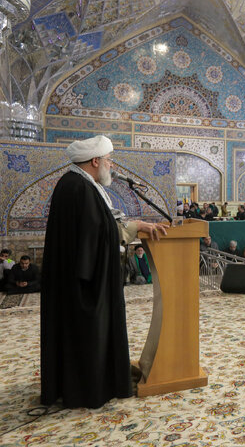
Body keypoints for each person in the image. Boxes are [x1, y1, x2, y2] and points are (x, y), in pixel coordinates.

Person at [42, 135, 166, 409]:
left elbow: (101, 226)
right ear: (95, 161)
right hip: (86, 285)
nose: (111, 166)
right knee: (90, 333)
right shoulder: (80, 189)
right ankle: (91, 388)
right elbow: (102, 233)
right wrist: (136, 226)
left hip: (79, 279)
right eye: (108, 161)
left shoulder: (78, 184)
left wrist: (135, 224)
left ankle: (96, 379)